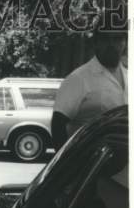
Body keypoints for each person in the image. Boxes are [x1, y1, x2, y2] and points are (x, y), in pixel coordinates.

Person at [51, 18, 128, 149]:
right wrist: (71, 166)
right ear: (96, 42)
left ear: (125, 43)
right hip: (91, 165)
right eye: (105, 39)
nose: (111, 44)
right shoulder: (78, 78)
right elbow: (58, 124)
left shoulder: (131, 76)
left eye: (117, 39)